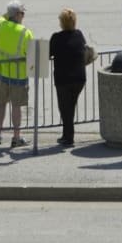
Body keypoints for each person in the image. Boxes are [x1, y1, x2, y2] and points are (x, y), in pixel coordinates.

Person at [0, 0, 33, 148]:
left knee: (1, 104)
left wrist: (10, 13)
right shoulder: (25, 32)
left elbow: (2, 16)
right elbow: (31, 57)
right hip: (18, 77)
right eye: (22, 13)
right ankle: (16, 137)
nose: (23, 16)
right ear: (17, 15)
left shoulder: (0, 25)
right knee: (16, 107)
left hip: (1, 74)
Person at [49, 8, 88, 147]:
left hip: (64, 79)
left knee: (65, 108)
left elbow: (48, 53)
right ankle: (67, 135)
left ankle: (68, 137)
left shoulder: (56, 38)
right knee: (70, 106)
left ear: (62, 22)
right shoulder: (79, 35)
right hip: (79, 78)